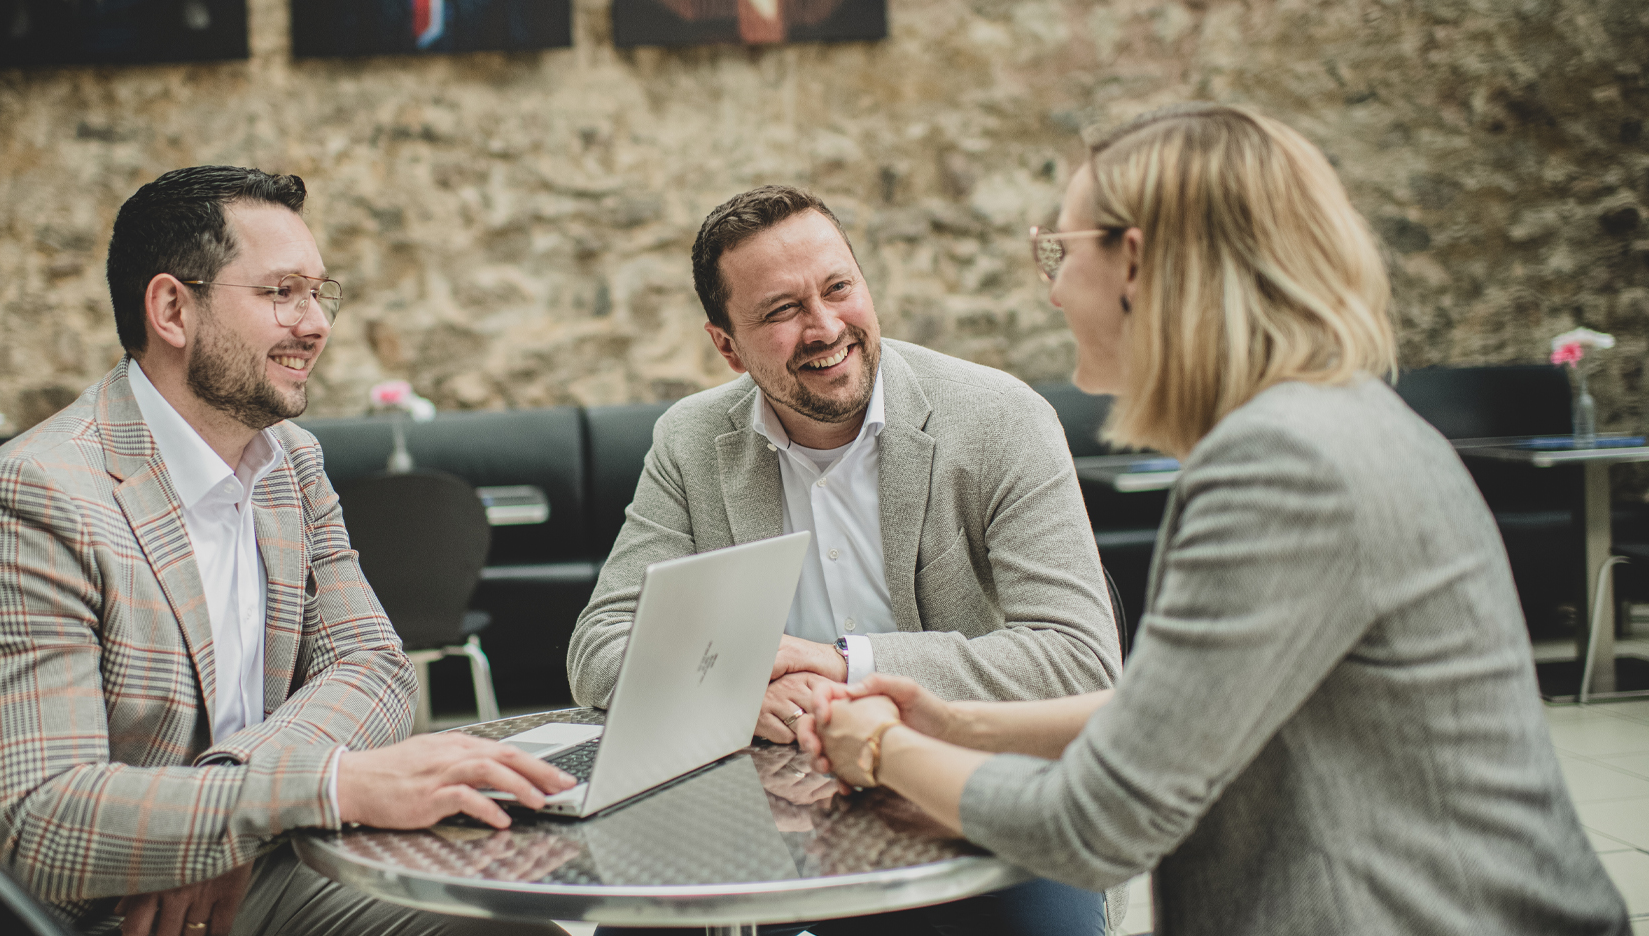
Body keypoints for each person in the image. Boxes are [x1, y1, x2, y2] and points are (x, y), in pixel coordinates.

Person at [804, 103, 1633, 935]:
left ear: (1134, 262)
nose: (1051, 289)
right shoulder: (1324, 421)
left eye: (1058, 250)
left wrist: (883, 751)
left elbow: (1098, 824)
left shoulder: (1283, 465)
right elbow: (1181, 712)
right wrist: (959, 722)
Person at [0, 166, 576, 936]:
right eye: (282, 292)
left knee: (516, 928)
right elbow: (47, 824)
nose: (315, 323)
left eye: (321, 293)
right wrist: (325, 787)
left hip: (247, 868)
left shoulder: (290, 460)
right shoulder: (31, 501)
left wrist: (227, 818)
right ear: (172, 309)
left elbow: (374, 667)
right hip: (66, 916)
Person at [570, 185, 1121, 934]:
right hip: (767, 820)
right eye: (781, 310)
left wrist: (842, 664)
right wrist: (728, 695)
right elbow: (599, 645)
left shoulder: (999, 419)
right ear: (726, 344)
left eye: (838, 288)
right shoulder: (690, 441)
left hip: (982, 806)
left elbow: (1079, 661)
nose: (825, 327)